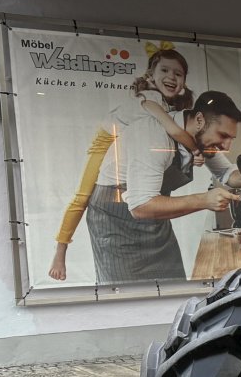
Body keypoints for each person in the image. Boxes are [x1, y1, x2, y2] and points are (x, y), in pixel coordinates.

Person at [48, 46, 197, 281]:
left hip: (137, 197)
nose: (171, 77)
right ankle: (59, 254)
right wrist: (199, 149)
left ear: (184, 82)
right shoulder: (149, 100)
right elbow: (175, 131)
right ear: (150, 75)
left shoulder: (172, 107)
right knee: (82, 197)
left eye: (178, 74)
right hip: (105, 143)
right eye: (165, 70)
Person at [83, 91, 241, 285]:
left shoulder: (200, 140)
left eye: (231, 138)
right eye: (223, 136)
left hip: (153, 218)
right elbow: (140, 206)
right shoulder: (152, 134)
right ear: (199, 119)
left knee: (173, 286)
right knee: (132, 301)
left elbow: (228, 174)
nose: (226, 145)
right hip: (117, 224)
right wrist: (204, 200)